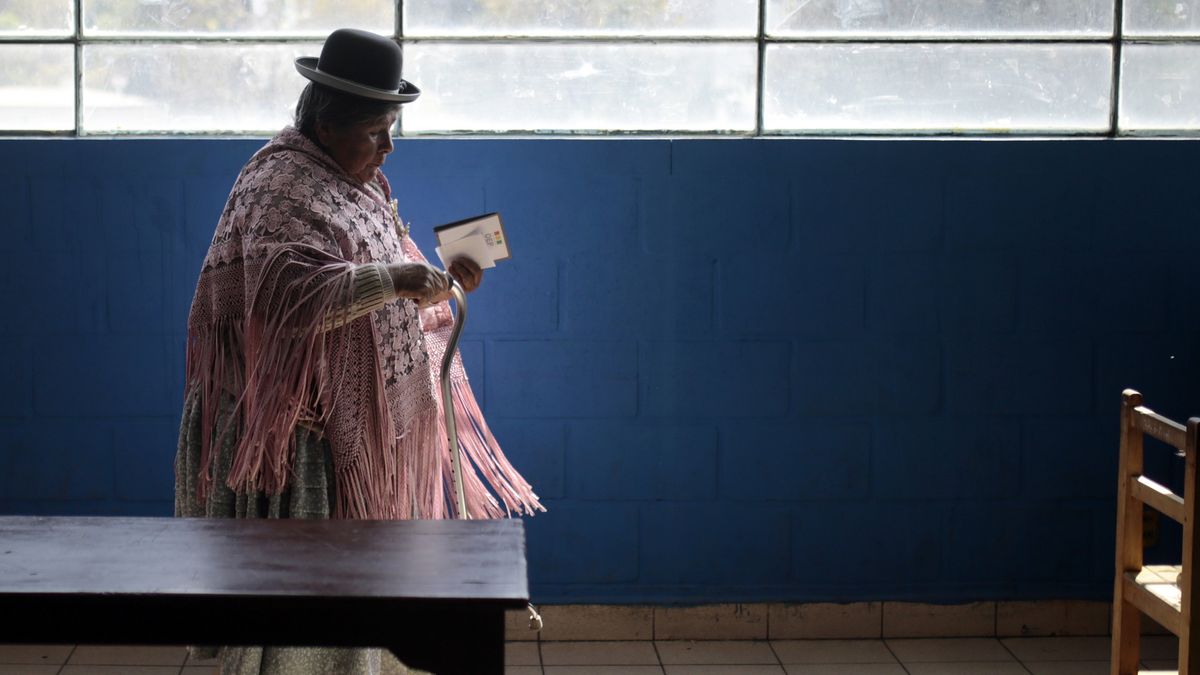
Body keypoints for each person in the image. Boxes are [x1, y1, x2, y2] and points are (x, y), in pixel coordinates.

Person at [174, 28, 544, 674]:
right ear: (325, 121)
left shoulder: (361, 187)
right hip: (295, 442)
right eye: (375, 132)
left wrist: (442, 281)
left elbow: (384, 286)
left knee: (354, 612)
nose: (388, 148)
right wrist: (401, 281)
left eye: (391, 129)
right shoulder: (279, 184)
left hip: (356, 433)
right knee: (299, 614)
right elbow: (289, 297)